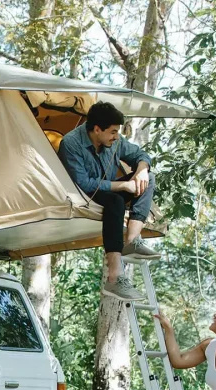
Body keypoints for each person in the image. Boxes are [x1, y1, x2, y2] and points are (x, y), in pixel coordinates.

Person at [58, 101, 160, 301]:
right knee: (115, 201)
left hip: (109, 190)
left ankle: (131, 241)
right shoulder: (71, 143)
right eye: (113, 132)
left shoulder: (115, 140)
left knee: (149, 178)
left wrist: (141, 170)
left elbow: (140, 155)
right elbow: (84, 183)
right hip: (81, 195)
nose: (116, 137)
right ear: (97, 129)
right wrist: (123, 186)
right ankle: (114, 277)